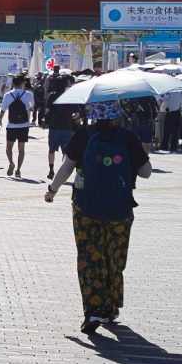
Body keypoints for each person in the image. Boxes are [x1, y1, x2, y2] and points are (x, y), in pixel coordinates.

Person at [45, 96, 150, 334]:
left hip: (85, 207)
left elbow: (66, 167)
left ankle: (93, 309)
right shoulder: (127, 137)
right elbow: (147, 173)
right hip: (120, 209)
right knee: (114, 259)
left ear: (93, 113)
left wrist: (52, 191)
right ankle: (110, 306)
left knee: (88, 257)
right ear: (117, 114)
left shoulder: (84, 135)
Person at [0, 75, 37, 178]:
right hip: (24, 125)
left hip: (11, 125)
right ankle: (18, 170)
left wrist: (0, 120)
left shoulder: (8, 95)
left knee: (9, 147)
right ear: (22, 83)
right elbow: (32, 106)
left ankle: (11, 162)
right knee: (21, 148)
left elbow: (3, 109)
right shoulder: (29, 94)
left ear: (13, 83)